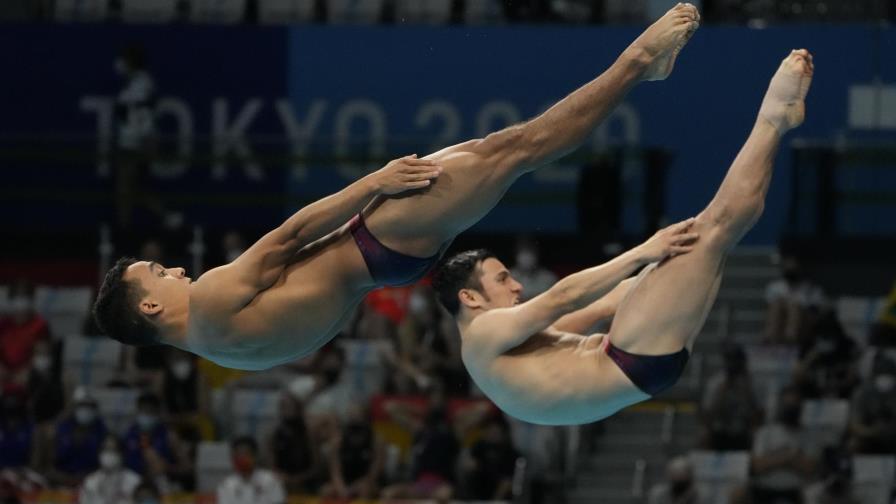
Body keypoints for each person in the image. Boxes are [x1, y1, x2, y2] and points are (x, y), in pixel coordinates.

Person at [92, 3, 702, 370]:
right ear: (149, 307)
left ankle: (643, 70)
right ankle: (637, 62)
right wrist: (376, 183)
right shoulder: (215, 297)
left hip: (385, 264)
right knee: (517, 149)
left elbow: (320, 311)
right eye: (157, 272)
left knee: (507, 154)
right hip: (376, 237)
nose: (172, 269)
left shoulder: (221, 353)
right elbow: (292, 234)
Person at [431, 49, 815, 425]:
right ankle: (773, 119)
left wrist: (650, 276)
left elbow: (598, 308)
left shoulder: (502, 350)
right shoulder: (481, 334)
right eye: (501, 278)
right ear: (469, 297)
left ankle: (775, 123)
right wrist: (642, 254)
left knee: (714, 236)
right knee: (712, 228)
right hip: (628, 356)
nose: (515, 284)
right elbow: (562, 297)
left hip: (640, 362)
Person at [216, 436, 286, 504]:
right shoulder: (226, 485)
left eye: (245, 454)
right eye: (237, 455)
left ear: (255, 456)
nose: (241, 459)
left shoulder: (271, 481)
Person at [78, 436, 141, 504]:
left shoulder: (134, 481)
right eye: (105, 450)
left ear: (122, 454)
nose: (108, 454)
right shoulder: (90, 481)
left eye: (113, 450)